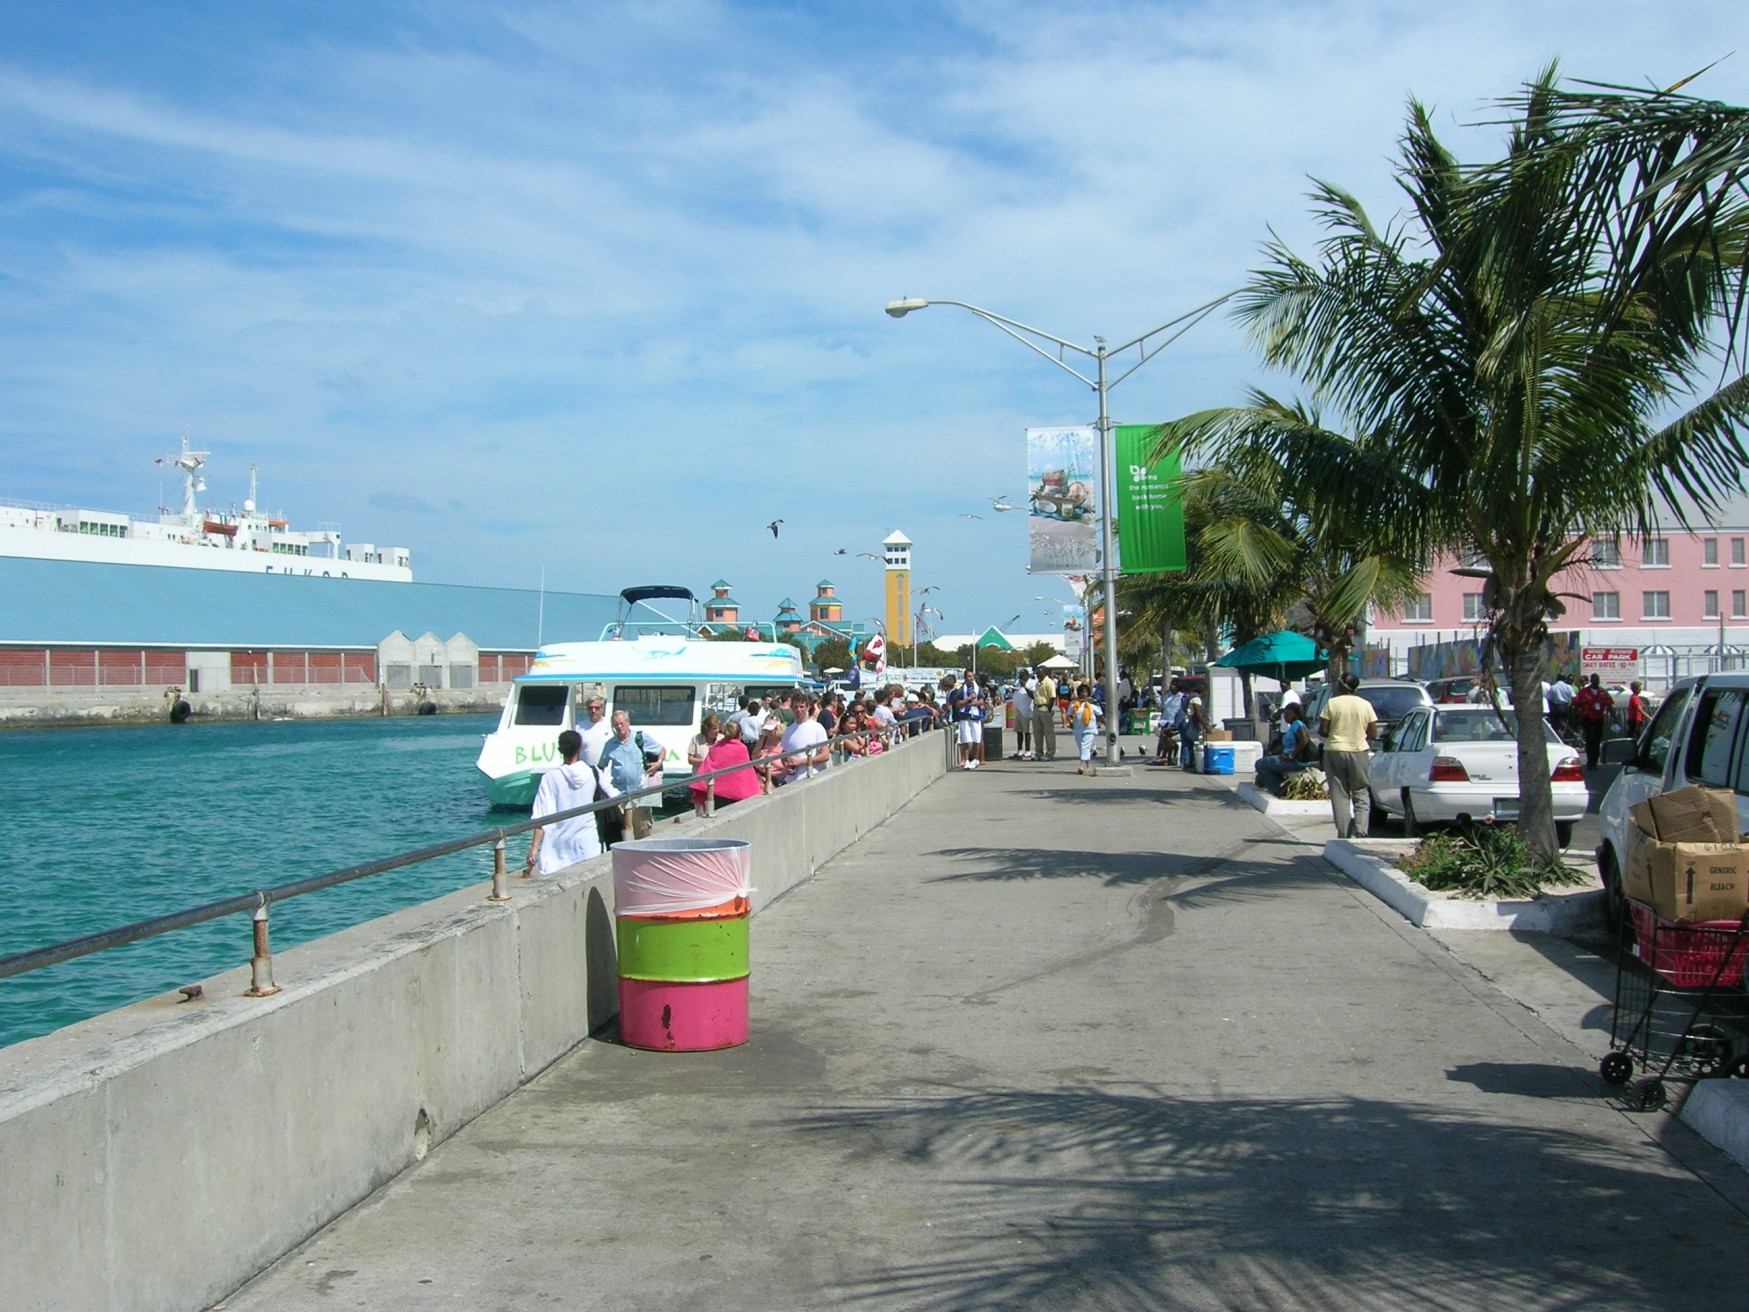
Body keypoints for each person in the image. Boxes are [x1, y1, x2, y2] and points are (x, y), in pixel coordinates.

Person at [524, 730, 616, 874]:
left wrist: (534, 848)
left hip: (558, 850)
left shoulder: (550, 778)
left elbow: (540, 817)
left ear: (559, 750)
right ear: (580, 748)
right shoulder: (593, 772)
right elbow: (614, 795)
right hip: (588, 844)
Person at [1319, 674, 1378, 837]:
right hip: (1359, 750)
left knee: (1339, 793)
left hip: (1334, 750)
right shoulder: (1365, 705)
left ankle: (1344, 833)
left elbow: (1323, 730)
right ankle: (1361, 828)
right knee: (1361, 791)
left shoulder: (1332, 703)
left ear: (1340, 685)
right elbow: (1373, 733)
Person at [690, 721, 759, 815]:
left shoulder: (716, 746)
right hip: (737, 793)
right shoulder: (741, 748)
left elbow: (708, 767)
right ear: (739, 735)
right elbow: (746, 772)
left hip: (716, 793)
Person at [599, 710, 663, 798]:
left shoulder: (640, 738)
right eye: (616, 724)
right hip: (618, 794)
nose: (619, 726)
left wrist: (658, 763)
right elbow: (601, 767)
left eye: (621, 723)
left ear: (628, 723)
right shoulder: (610, 745)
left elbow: (662, 750)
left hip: (640, 792)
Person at [1255, 704, 1312, 795]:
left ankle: (1280, 790)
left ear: (1296, 714)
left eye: (1288, 714)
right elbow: (1283, 746)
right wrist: (1270, 753)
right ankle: (1279, 785)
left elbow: (1304, 741)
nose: (1286, 717)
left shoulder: (1297, 724)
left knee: (1260, 764)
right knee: (1264, 763)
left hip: (1295, 761)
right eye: (1284, 714)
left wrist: (1291, 755)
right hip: (1287, 758)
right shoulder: (1292, 726)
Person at [777, 695, 831, 783]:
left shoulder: (817, 727)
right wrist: (786, 766)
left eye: (801, 707)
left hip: (810, 779)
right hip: (791, 781)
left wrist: (802, 762)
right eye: (795, 707)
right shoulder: (788, 730)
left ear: (807, 707)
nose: (799, 710)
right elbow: (783, 755)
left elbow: (825, 755)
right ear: (791, 709)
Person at [1574, 673, 1615, 770]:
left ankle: (1595, 762)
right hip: (1587, 719)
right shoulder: (1584, 692)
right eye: (1594, 680)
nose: (1596, 682)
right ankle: (1590, 762)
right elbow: (1576, 704)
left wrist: (1615, 717)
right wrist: (1575, 717)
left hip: (1599, 719)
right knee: (1590, 739)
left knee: (1597, 741)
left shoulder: (1603, 692)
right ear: (1591, 681)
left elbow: (1609, 705)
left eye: (1597, 680)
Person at [949, 668, 985, 770]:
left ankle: (976, 759)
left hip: (976, 716)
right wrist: (968, 699)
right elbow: (958, 705)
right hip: (964, 717)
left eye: (972, 676)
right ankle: (966, 760)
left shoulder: (978, 688)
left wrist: (970, 704)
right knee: (965, 739)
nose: (971, 678)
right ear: (965, 678)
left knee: (977, 738)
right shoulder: (961, 690)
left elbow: (981, 701)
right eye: (969, 676)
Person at [1068, 683, 1102, 773]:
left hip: (1090, 729)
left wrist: (1107, 725)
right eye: (1082, 692)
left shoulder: (1092, 703)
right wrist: (1070, 723)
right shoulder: (1074, 703)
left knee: (1084, 745)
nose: (1084, 694)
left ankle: (1082, 765)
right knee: (1082, 747)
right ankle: (1087, 766)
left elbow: (1100, 714)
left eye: (1086, 692)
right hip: (1078, 729)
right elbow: (1069, 714)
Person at [577, 693, 613, 767]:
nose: (593, 711)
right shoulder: (579, 727)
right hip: (586, 771)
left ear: (603, 708)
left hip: (606, 771)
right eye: (590, 708)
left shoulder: (611, 726)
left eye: (597, 708)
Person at [1033, 670, 1058, 762]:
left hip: (1045, 707)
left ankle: (1050, 754)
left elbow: (1052, 697)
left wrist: (1049, 709)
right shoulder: (1038, 683)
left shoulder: (1049, 682)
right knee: (1037, 732)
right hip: (1037, 707)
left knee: (1048, 732)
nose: (1037, 674)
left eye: (1039, 672)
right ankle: (1038, 753)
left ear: (1044, 672)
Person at [1179, 686, 1207, 770]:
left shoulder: (1191, 696)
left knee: (1188, 742)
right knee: (1187, 742)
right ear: (1203, 691)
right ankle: (1186, 762)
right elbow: (1198, 714)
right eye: (1206, 691)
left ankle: (1188, 761)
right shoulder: (1196, 698)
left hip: (1184, 721)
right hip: (1187, 722)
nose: (1207, 694)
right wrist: (1206, 726)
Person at [1011, 673, 1035, 760]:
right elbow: (1015, 691)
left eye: (1023, 677)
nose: (1021, 679)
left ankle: (1028, 751)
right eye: (1020, 677)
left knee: (1027, 731)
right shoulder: (1017, 682)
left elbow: (1032, 695)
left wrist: (1025, 686)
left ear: (1027, 676)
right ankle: (1019, 751)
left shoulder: (1031, 683)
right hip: (1018, 709)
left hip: (1026, 710)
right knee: (1019, 731)